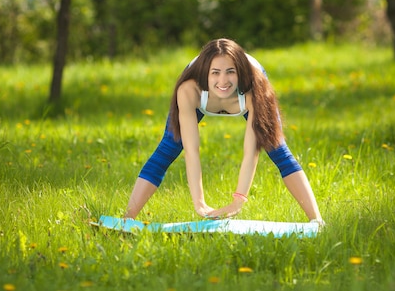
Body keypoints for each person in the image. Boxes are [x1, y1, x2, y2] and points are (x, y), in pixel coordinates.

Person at [124, 38, 324, 224]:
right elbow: (192, 151)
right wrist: (199, 202)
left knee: (278, 149)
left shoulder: (255, 90)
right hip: (199, 89)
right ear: (205, 73)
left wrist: (239, 200)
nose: (223, 80)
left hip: (252, 87)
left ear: (240, 72)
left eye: (231, 72)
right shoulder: (189, 90)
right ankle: (127, 218)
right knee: (168, 147)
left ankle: (317, 221)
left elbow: (250, 152)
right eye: (215, 73)